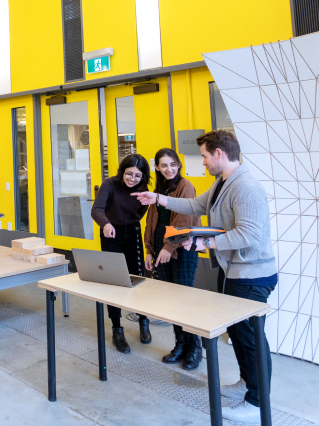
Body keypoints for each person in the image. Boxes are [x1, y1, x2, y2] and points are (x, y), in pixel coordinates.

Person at [132, 130, 276, 424]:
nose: (203, 162)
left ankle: (258, 402)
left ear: (220, 154)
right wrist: (158, 198)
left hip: (252, 274)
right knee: (236, 332)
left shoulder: (245, 186)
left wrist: (204, 243)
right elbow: (195, 206)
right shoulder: (223, 183)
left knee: (250, 337)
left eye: (205, 156)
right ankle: (246, 385)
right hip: (233, 272)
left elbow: (249, 234)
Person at [143, 148, 203, 370]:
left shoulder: (185, 186)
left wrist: (169, 247)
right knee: (170, 298)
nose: (168, 169)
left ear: (178, 165)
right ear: (157, 167)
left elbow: (185, 218)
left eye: (172, 164)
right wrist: (150, 249)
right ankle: (180, 344)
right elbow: (152, 221)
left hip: (182, 245)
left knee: (184, 298)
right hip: (161, 243)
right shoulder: (158, 189)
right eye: (163, 165)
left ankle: (194, 347)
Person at [91, 153, 152, 354]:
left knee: (139, 277)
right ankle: (117, 328)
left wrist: (132, 220)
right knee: (114, 281)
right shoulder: (110, 184)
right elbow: (96, 210)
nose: (132, 179)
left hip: (132, 232)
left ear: (143, 177)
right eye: (129, 174)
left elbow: (141, 212)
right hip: (111, 233)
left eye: (137, 176)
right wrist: (106, 224)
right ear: (122, 171)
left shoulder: (143, 189)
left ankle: (144, 320)